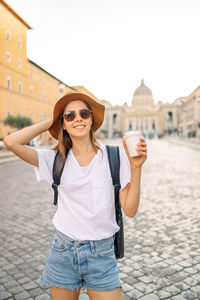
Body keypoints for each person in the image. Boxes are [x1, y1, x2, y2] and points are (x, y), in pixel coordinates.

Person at [4, 91, 147, 300]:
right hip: (63, 251)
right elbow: (11, 142)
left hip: (102, 255)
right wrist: (52, 121)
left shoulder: (114, 156)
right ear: (63, 123)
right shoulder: (54, 159)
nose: (77, 118)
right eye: (69, 116)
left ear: (91, 119)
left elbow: (130, 210)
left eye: (83, 113)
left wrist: (136, 168)